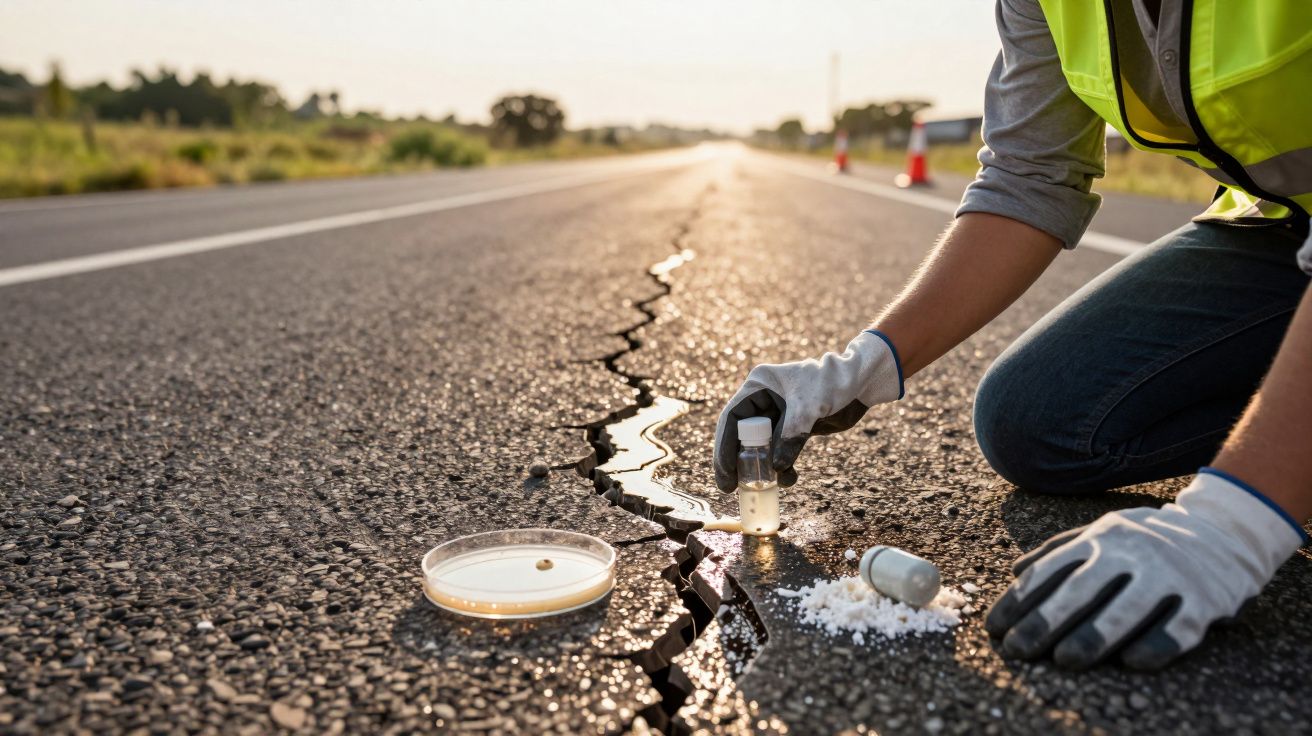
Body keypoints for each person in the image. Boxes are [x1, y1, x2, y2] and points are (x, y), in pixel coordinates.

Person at [714, 0, 1310, 671]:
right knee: (1037, 419)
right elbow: (1029, 176)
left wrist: (1233, 524)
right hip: (1277, 227)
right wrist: (857, 366)